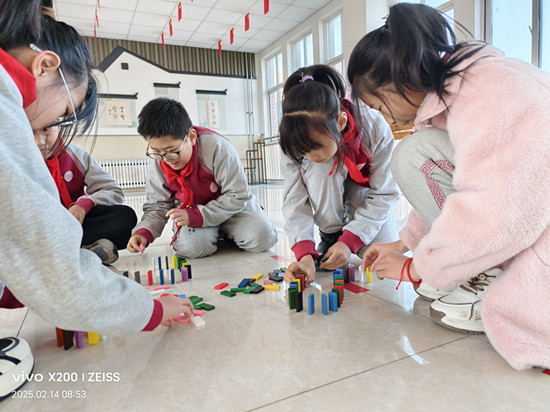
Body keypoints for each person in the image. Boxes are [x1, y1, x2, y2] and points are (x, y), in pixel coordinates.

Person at [0, 0, 192, 398]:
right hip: (56, 242)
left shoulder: (74, 154)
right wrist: (151, 310)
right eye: (62, 114)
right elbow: (55, 271)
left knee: (119, 214)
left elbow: (109, 197)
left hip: (75, 225)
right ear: (45, 66)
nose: (49, 129)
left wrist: (82, 207)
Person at [348, 3, 550, 370]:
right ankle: (470, 266)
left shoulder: (486, 93)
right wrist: (404, 245)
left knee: (411, 154)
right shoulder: (456, 88)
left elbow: (498, 208)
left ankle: (487, 276)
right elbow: (449, 183)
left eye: (379, 103)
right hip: (529, 210)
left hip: (533, 226)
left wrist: (416, 269)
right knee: (415, 152)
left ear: (403, 76)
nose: (386, 116)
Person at [278, 65, 399, 285]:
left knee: (382, 255)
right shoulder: (291, 138)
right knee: (322, 167)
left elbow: (385, 193)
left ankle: (345, 237)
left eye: (316, 147)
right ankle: (331, 234)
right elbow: (294, 200)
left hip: (364, 193)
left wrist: (350, 241)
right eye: (303, 152)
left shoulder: (374, 126)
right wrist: (304, 255)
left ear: (340, 122)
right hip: (329, 198)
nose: (310, 157)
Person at [127, 97, 277, 259]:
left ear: (191, 137)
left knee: (263, 238)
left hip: (231, 209)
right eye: (156, 151)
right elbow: (157, 206)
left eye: (172, 151)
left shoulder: (218, 148)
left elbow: (238, 195)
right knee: (193, 249)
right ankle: (218, 233)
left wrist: (200, 215)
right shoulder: (159, 161)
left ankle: (227, 229)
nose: (166, 159)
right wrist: (144, 232)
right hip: (191, 212)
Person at [34, 126, 137, 264]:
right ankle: (84, 248)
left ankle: (64, 248)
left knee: (126, 217)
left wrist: (84, 204)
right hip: (42, 229)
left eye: (46, 130)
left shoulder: (76, 155)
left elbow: (114, 192)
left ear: (60, 125)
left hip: (77, 225)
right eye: (31, 131)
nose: (39, 141)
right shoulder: (19, 160)